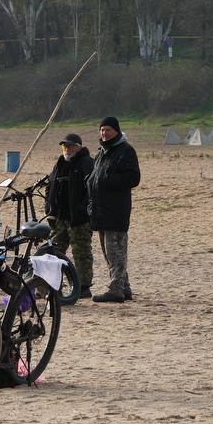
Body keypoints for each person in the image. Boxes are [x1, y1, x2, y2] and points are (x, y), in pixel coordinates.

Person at [87, 117, 140, 303]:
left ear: (116, 131)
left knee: (116, 251)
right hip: (101, 211)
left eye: (108, 130)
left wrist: (107, 181)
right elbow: (94, 178)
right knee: (108, 252)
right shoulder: (102, 152)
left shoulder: (126, 151)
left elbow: (133, 178)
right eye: (102, 129)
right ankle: (124, 287)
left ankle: (116, 289)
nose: (104, 133)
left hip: (116, 211)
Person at [45, 133, 95, 298]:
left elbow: (92, 190)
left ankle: (83, 286)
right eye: (64, 146)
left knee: (81, 251)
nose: (67, 149)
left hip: (79, 219)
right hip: (59, 217)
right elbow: (50, 186)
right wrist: (49, 209)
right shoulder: (60, 163)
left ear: (78, 147)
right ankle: (50, 284)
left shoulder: (87, 163)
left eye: (70, 146)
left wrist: (83, 210)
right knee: (53, 250)